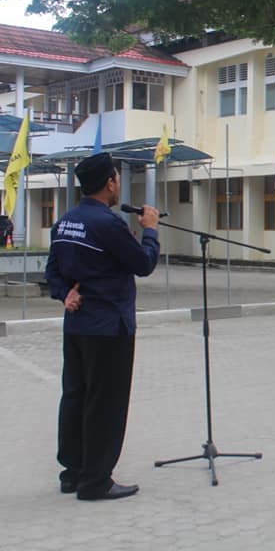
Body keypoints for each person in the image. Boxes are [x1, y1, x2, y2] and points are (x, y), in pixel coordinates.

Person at [44, 152, 160, 501]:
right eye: (117, 178)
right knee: (105, 403)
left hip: (77, 326)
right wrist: (150, 231)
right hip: (109, 327)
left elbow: (52, 272)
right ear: (110, 182)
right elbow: (142, 264)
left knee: (76, 397)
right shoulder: (108, 224)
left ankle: (73, 472)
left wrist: (64, 295)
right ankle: (96, 480)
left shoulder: (65, 222)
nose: (118, 184)